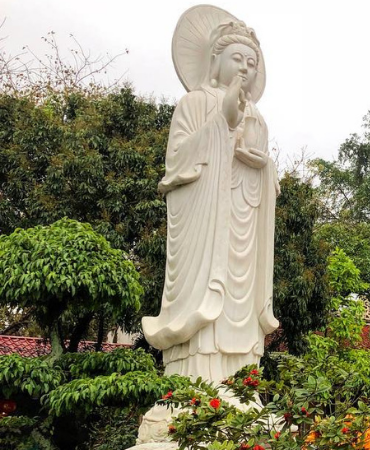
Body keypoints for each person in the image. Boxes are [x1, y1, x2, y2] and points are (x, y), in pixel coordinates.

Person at [142, 16, 279, 383]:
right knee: (207, 306)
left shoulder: (257, 116)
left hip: (242, 226)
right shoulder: (193, 103)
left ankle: (242, 388)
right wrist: (222, 121)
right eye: (238, 59)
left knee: (242, 304)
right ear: (215, 60)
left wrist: (264, 166)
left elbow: (262, 163)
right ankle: (194, 392)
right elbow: (176, 164)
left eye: (252, 64)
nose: (246, 69)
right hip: (205, 230)